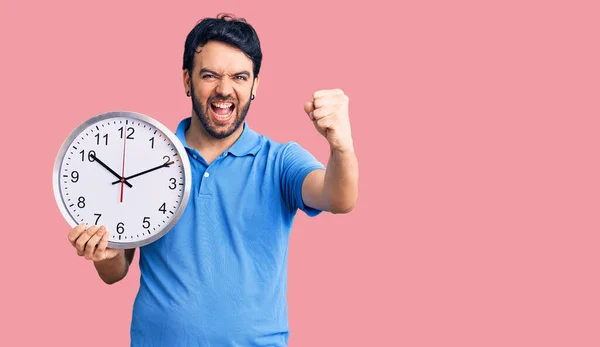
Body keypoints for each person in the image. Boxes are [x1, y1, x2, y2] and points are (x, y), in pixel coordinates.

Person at [67, 13, 359, 346]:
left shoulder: (279, 161)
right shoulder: (144, 159)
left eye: (239, 76)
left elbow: (339, 198)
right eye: (209, 75)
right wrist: (105, 254)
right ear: (187, 81)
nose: (224, 89)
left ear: (255, 86)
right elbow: (116, 271)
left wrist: (342, 147)